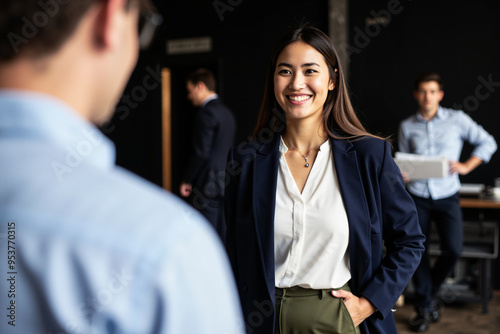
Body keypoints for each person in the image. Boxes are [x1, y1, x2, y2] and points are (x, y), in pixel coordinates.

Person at [0, 1, 243, 333]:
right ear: (111, 16)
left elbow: (200, 151)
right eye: (142, 25)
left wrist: (188, 180)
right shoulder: (170, 249)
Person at [224, 25, 425, 334]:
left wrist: (370, 303)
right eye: (285, 71)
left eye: (310, 71)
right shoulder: (246, 161)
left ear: (331, 80)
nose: (297, 83)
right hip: (261, 321)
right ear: (273, 81)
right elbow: (232, 250)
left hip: (336, 317)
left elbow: (409, 239)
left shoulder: (369, 155)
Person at [398, 72, 497, 332]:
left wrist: (466, 166)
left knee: (453, 249)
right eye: (422, 91)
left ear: (440, 95)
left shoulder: (457, 119)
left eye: (432, 91)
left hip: (447, 194)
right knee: (416, 250)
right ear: (415, 94)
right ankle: (424, 307)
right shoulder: (407, 125)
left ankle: (429, 295)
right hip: (416, 195)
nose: (427, 96)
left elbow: (488, 142)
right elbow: (404, 160)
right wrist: (403, 172)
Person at [179, 68, 236, 241]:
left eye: (190, 91)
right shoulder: (227, 113)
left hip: (206, 183)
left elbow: (201, 152)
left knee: (206, 235)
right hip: (224, 180)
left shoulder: (206, 113)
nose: (189, 96)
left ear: (200, 86)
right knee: (222, 234)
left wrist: (187, 179)